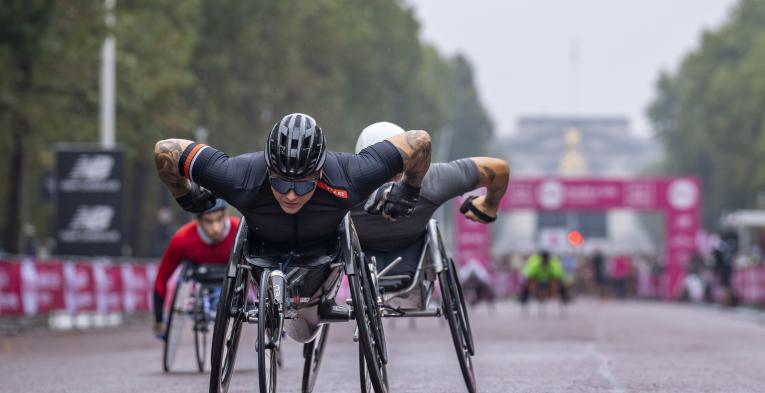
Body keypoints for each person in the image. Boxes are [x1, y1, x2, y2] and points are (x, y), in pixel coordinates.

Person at [153, 112, 432, 302]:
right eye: (280, 183)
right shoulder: (239, 175)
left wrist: (409, 189)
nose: (289, 195)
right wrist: (185, 193)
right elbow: (165, 149)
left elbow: (419, 140)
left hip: (326, 253)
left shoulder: (350, 175)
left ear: (320, 174)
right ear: (268, 169)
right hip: (262, 248)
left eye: (302, 186)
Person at [351, 122, 510, 287]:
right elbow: (499, 169)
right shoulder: (432, 180)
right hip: (409, 249)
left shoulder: (344, 180)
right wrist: (488, 206)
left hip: (360, 250)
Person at [152, 199, 239, 338]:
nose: (216, 228)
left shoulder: (240, 231)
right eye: (208, 221)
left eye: (219, 219)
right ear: (198, 221)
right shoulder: (182, 239)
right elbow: (162, 278)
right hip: (199, 275)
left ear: (226, 214)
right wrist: (159, 321)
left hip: (233, 274)